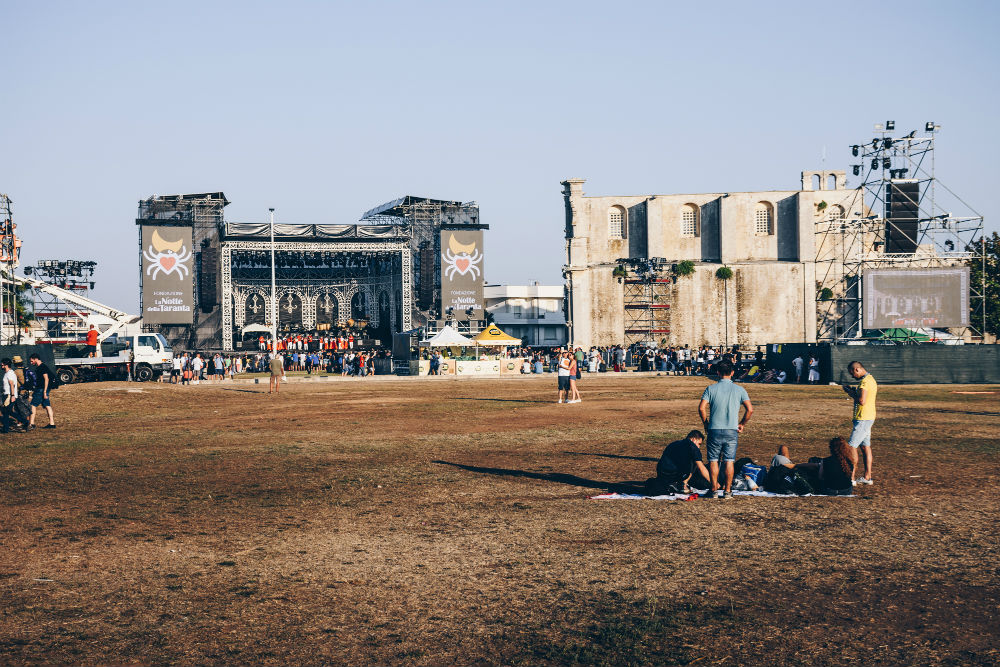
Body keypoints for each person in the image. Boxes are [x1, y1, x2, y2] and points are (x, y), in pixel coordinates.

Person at [697, 361, 753, 499]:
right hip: (731, 430)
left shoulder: (711, 389)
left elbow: (701, 408)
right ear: (732, 373)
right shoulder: (739, 390)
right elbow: (750, 409)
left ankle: (714, 489)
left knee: (713, 460)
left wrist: (706, 423)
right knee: (729, 460)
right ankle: (728, 491)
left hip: (714, 429)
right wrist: (742, 423)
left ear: (718, 373)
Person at [843, 360, 877, 485]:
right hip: (868, 417)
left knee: (852, 446)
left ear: (857, 369)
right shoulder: (871, 379)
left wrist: (851, 393)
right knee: (865, 447)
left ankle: (851, 478)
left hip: (863, 418)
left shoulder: (865, 382)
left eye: (852, 373)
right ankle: (867, 477)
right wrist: (853, 392)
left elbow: (862, 401)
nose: (852, 376)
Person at [649, 430, 709, 495]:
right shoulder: (693, 447)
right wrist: (713, 483)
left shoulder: (674, 444)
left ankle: (674, 484)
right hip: (675, 475)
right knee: (696, 462)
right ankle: (683, 484)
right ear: (694, 439)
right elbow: (701, 467)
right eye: (699, 444)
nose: (698, 447)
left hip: (662, 474)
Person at [28, 353, 55, 429]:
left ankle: (31, 424)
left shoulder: (41, 367)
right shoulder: (42, 366)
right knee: (47, 405)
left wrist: (44, 392)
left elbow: (46, 379)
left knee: (33, 405)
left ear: (36, 359)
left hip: (41, 389)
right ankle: (52, 423)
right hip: (44, 389)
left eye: (31, 361)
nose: (31, 363)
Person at [1, 358, 25, 433]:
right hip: (7, 395)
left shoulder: (10, 373)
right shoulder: (7, 373)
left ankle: (6, 429)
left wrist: (12, 396)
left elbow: (12, 384)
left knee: (6, 412)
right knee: (7, 412)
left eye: (2, 364)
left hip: (9, 396)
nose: (1, 365)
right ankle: (24, 421)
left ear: (6, 365)